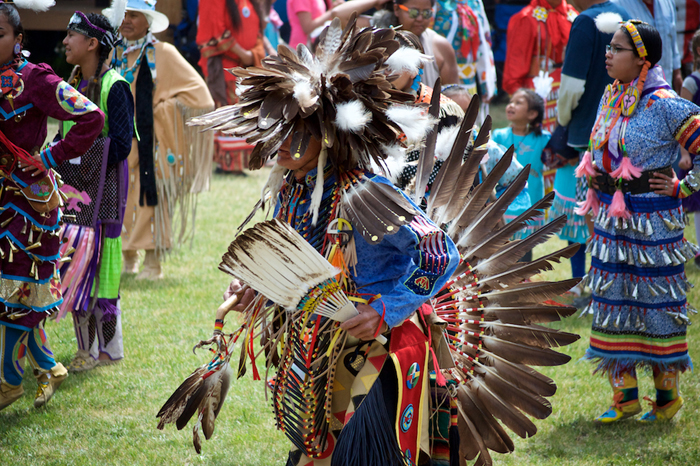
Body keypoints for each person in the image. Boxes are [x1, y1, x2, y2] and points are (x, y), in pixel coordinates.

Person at [576, 20, 699, 423]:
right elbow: (599, 150)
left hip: (654, 224)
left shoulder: (665, 102)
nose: (608, 55)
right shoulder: (612, 94)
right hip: (613, 221)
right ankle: (623, 396)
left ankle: (667, 398)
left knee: (655, 302)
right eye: (609, 48)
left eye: (617, 49)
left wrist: (682, 187)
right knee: (614, 300)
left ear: (642, 58)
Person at [0, 0, 105, 411]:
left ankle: (9, 383)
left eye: (0, 35)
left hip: (30, 205)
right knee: (16, 294)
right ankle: (47, 365)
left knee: (16, 292)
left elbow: (91, 117)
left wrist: (49, 157)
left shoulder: (35, 79)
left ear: (18, 40)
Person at [109, 0, 215, 280]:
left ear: (148, 21)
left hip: (152, 143)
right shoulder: (113, 54)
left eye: (135, 15)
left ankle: (153, 264)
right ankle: (128, 258)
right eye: (125, 15)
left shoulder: (163, 54)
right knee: (120, 198)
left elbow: (200, 96)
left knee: (149, 200)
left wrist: (160, 111)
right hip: (120, 141)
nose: (128, 20)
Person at [55, 9, 134, 371]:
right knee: (75, 263)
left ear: (92, 44)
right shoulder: (70, 84)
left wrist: (76, 151)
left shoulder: (113, 85)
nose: (65, 41)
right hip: (76, 193)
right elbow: (63, 135)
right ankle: (83, 349)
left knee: (104, 270)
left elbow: (120, 144)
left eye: (72, 35)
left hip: (106, 194)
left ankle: (108, 349)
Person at [557, 3, 630, 238]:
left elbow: (571, 86)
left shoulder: (586, 21)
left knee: (595, 205)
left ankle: (600, 265)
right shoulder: (624, 13)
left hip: (593, 132)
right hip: (626, 127)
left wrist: (564, 120)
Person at [196, 0, 267, 173]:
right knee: (230, 112)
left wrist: (254, 54)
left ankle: (240, 163)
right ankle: (227, 164)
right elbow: (216, 31)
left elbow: (257, 31)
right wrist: (245, 56)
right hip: (226, 68)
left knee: (245, 113)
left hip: (246, 69)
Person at [330, 0, 460, 85]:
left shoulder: (440, 45)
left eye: (426, 13)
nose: (420, 18)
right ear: (397, 9)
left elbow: (452, 94)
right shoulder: (377, 31)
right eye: (414, 12)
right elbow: (338, 15)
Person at [504, 0, 578, 132]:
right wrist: (521, 100)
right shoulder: (526, 18)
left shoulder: (572, 15)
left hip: (569, 89)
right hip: (538, 90)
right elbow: (515, 65)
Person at [493, 89, 549, 253]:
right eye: (511, 101)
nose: (511, 105)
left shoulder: (543, 138)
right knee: (501, 246)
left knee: (525, 245)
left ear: (532, 114)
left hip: (531, 200)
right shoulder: (499, 135)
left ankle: (523, 278)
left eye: (518, 103)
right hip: (504, 201)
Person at [433, 0, 497, 109]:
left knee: (468, 118)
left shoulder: (475, 2)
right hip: (439, 76)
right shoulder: (435, 3)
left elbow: (484, 42)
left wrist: (487, 83)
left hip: (469, 78)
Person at [612, 0, 682, 90]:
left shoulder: (667, 2)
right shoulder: (618, 4)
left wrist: (677, 74)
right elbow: (615, 46)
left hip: (666, 83)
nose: (608, 54)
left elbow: (672, 38)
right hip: (629, 90)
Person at [678, 29, 700, 268]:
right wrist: (684, 154)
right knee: (696, 204)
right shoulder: (691, 82)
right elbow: (681, 122)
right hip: (695, 152)